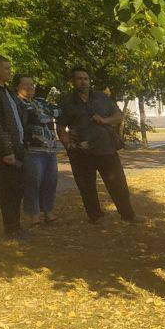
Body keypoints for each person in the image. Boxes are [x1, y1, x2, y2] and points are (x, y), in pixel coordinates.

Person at [58, 67, 138, 223]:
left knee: (118, 183)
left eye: (86, 78)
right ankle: (95, 216)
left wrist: (104, 120)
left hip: (106, 148)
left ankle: (128, 215)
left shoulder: (102, 97)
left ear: (89, 80)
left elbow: (118, 116)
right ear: (73, 82)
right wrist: (68, 144)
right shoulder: (66, 101)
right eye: (79, 78)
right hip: (81, 152)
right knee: (86, 186)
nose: (83, 81)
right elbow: (60, 127)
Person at [14, 75, 61, 226]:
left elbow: (56, 112)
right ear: (17, 87)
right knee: (33, 182)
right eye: (25, 85)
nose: (30, 87)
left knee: (51, 181)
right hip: (32, 149)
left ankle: (48, 211)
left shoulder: (40, 102)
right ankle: (33, 214)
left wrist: (46, 115)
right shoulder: (16, 103)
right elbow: (29, 120)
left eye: (32, 84)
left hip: (50, 148)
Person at [0, 53, 26, 240]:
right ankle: (12, 229)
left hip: (18, 147)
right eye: (6, 68)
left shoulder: (7, 92)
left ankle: (16, 226)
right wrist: (5, 151)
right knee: (7, 191)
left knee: (17, 189)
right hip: (5, 152)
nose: (10, 71)